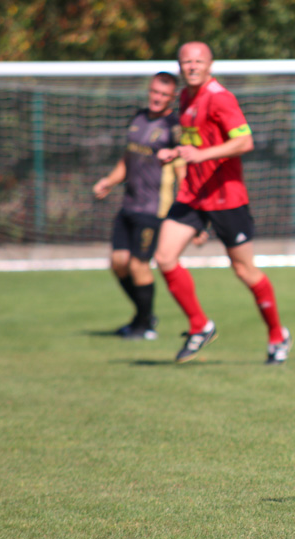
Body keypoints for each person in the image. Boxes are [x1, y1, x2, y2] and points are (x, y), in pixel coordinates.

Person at [155, 42, 291, 364]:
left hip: (226, 198)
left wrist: (201, 155)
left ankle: (277, 335)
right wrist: (176, 152)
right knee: (164, 257)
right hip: (193, 194)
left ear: (210, 64)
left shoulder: (220, 97)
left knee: (244, 271)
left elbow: (244, 141)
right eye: (186, 61)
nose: (192, 66)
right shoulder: (187, 96)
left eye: (198, 61)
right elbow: (196, 139)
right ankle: (200, 326)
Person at [93, 72, 184, 340]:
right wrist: (109, 181)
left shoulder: (174, 126)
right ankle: (143, 316)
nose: (157, 98)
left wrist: (189, 208)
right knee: (118, 263)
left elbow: (182, 169)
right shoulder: (138, 117)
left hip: (154, 207)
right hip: (129, 203)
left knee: (138, 265)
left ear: (172, 97)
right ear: (150, 90)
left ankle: (145, 326)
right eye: (155, 92)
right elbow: (127, 157)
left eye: (164, 95)